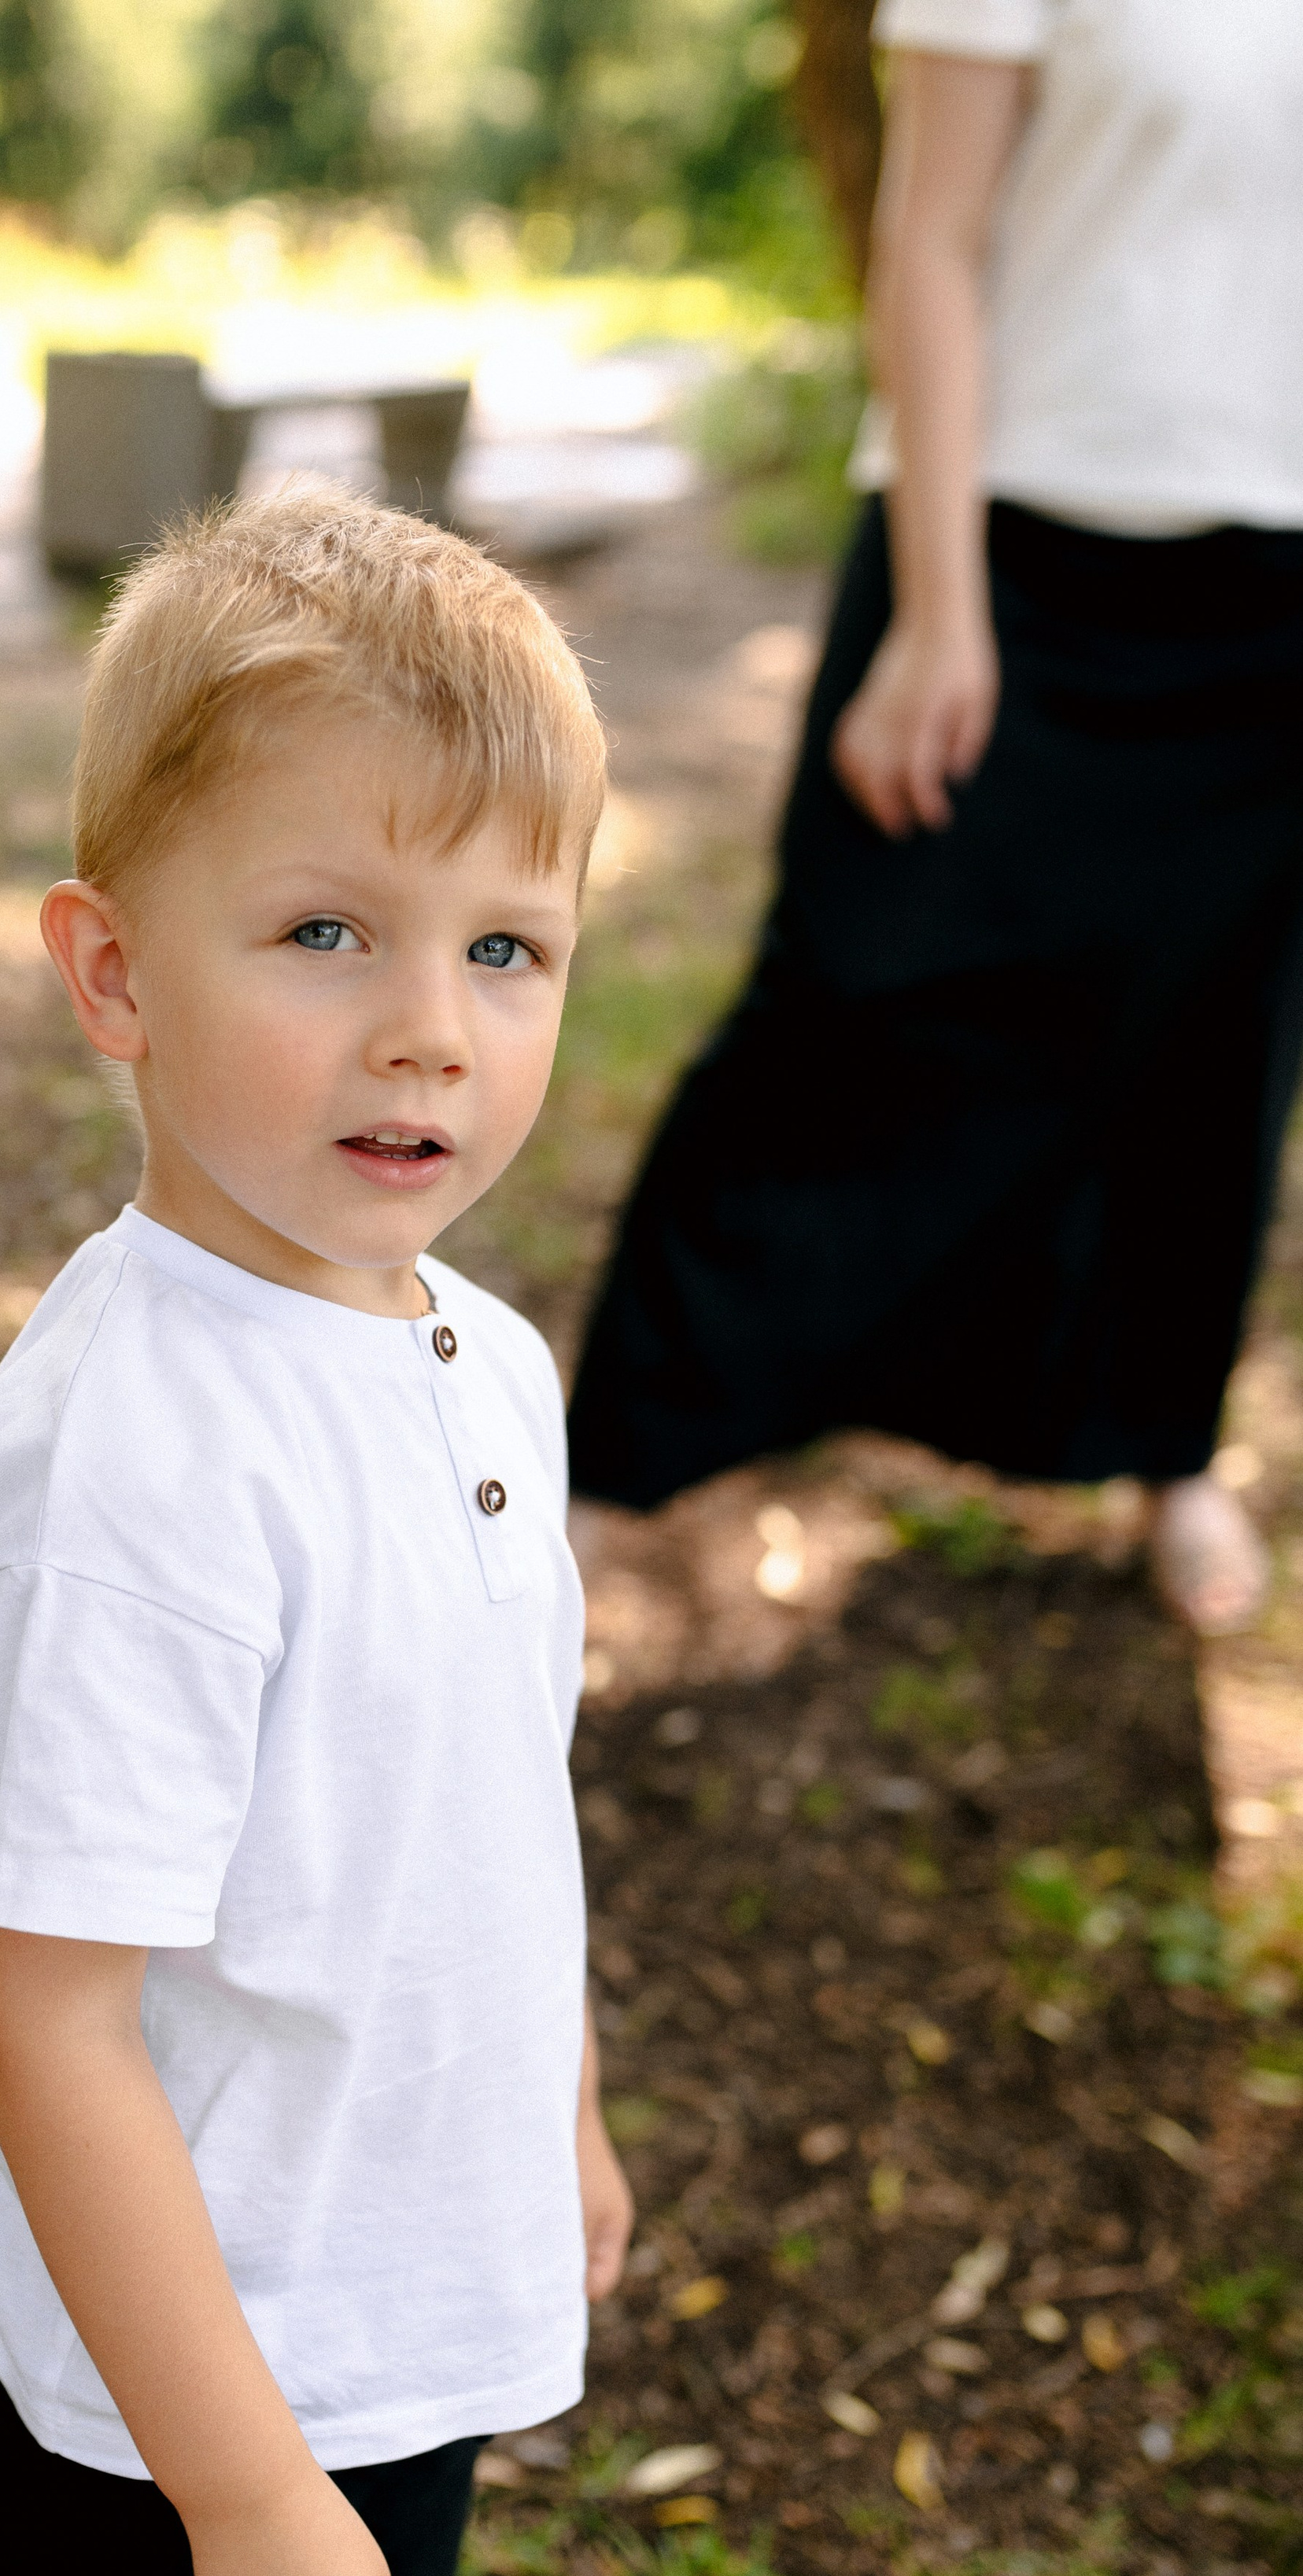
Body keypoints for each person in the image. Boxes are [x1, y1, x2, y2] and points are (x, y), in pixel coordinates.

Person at [0, 487, 634, 2576]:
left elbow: (491, 1795)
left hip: (386, 2289)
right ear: (109, 973)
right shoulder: (132, 1460)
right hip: (145, 2382)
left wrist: (557, 2104)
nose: (428, 1021)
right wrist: (230, 2477)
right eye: (326, 931)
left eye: (503, 947)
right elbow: (55, 2010)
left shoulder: (482, 1358)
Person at [566, 1, 1303, 1633]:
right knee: (850, 993)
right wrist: (936, 606)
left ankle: (1164, 1449)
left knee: (1207, 1045)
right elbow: (930, 233)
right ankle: (612, 1469)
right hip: (1014, 552)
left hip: (1277, 584)